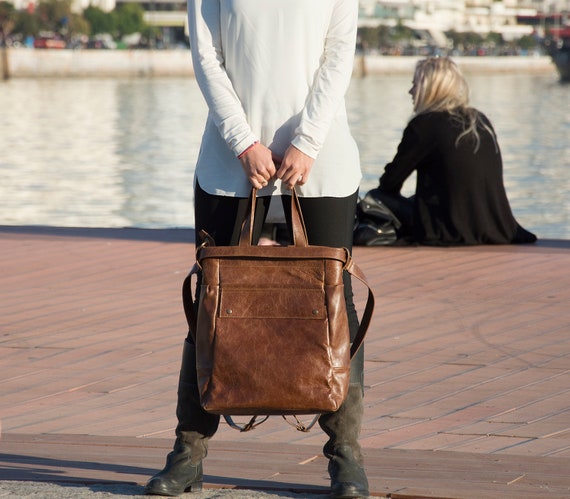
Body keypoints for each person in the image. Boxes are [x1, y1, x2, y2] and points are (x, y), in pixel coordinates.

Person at [145, 1, 369, 498]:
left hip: (321, 160)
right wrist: (243, 141)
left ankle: (346, 460)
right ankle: (188, 454)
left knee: (337, 307)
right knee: (212, 306)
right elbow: (208, 58)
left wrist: (308, 141)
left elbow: (338, 54)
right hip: (229, 164)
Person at [359, 56, 536, 246]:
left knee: (375, 198)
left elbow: (389, 183)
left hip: (446, 228)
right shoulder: (480, 120)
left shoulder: (424, 125)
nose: (411, 91)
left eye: (415, 85)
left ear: (430, 89)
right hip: (495, 226)